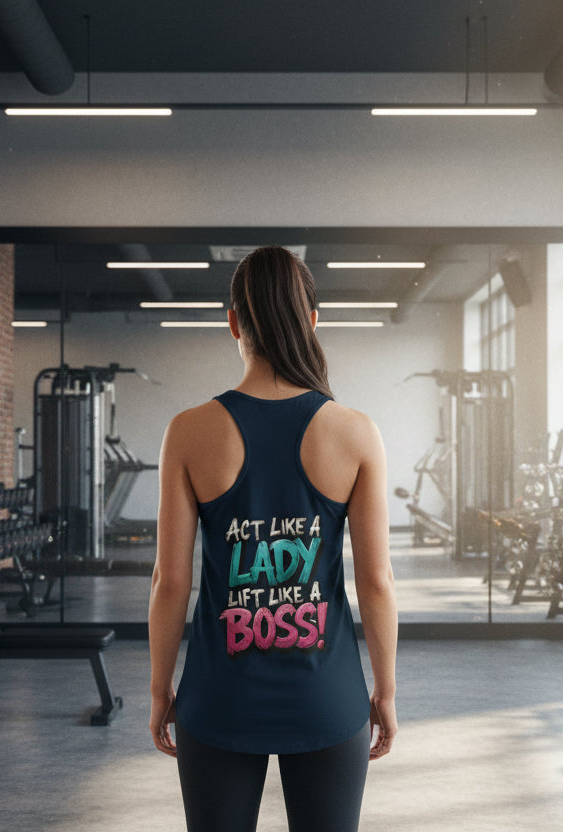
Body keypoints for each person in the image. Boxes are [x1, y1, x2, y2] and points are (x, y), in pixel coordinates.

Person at [148, 245, 398, 832]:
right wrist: (385, 690)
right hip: (328, 699)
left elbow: (170, 581)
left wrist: (161, 689)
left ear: (234, 323)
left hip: (218, 699)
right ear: (312, 321)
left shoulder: (188, 432)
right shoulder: (356, 432)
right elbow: (377, 582)